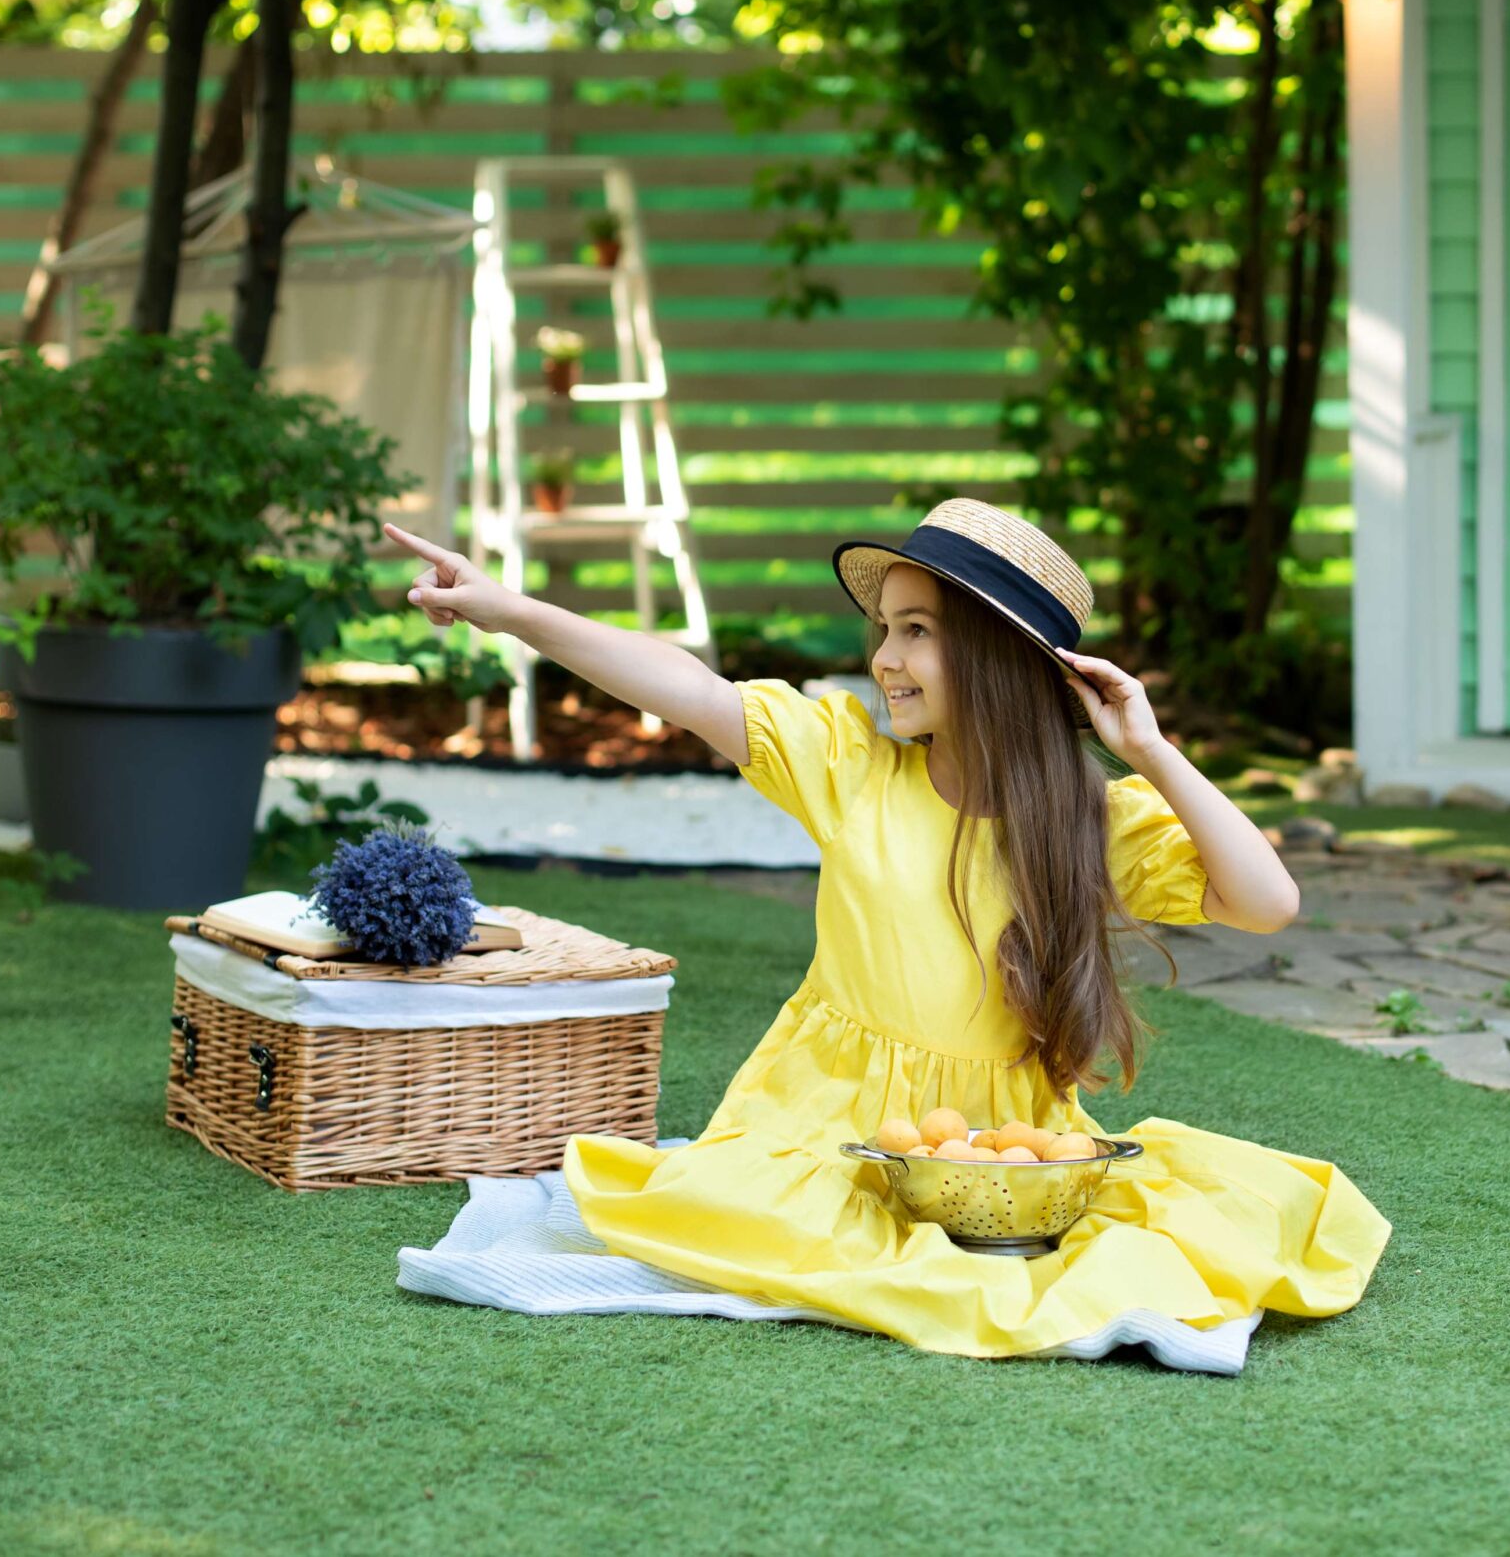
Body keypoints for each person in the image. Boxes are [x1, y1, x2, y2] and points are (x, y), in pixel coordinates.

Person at [381, 498, 1390, 1362]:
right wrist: (506, 606)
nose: (884, 657)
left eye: (917, 631)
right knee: (761, 1216)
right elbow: (680, 685)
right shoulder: (850, 763)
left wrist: (1151, 749)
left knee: (1168, 1223)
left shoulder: (1090, 820)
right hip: (820, 1112)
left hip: (1001, 1140)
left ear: (997, 661)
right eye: (887, 628)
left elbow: (1267, 901)